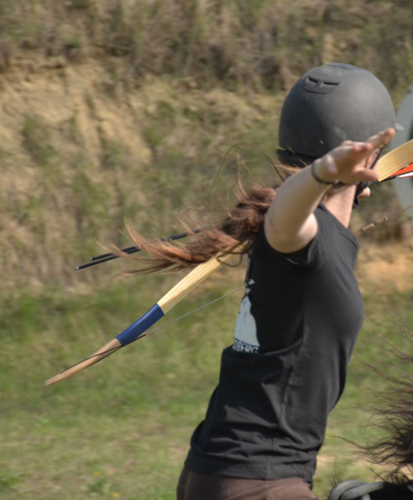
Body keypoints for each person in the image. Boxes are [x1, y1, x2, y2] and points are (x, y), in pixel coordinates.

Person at [133, 63, 396, 500]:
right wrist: (321, 174)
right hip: (256, 480)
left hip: (238, 472)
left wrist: (329, 178)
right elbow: (286, 219)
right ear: (366, 157)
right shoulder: (301, 232)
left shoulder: (323, 233)